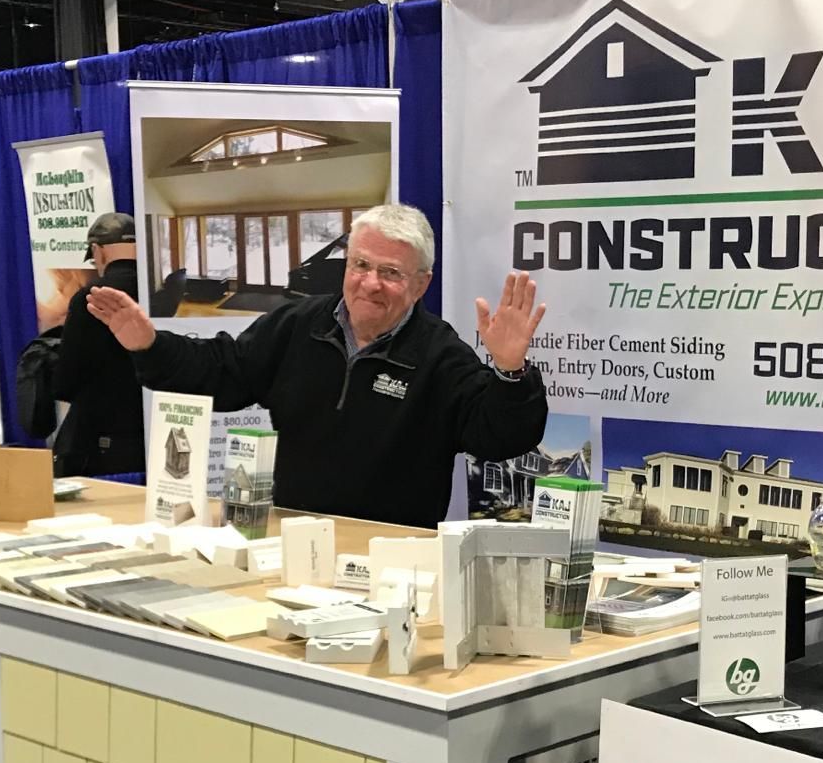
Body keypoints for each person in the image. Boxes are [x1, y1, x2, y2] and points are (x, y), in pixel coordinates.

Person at [86, 203, 549, 530]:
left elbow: (498, 438)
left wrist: (510, 372)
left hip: (395, 555)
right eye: (360, 265)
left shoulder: (438, 354)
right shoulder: (298, 325)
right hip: (292, 539)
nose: (370, 283)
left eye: (390, 273)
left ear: (421, 283)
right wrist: (148, 344)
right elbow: (220, 370)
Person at [53, 212, 146, 477]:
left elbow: (66, 381)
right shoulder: (159, 294)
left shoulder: (92, 299)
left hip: (102, 443)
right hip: (155, 432)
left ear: (98, 251)